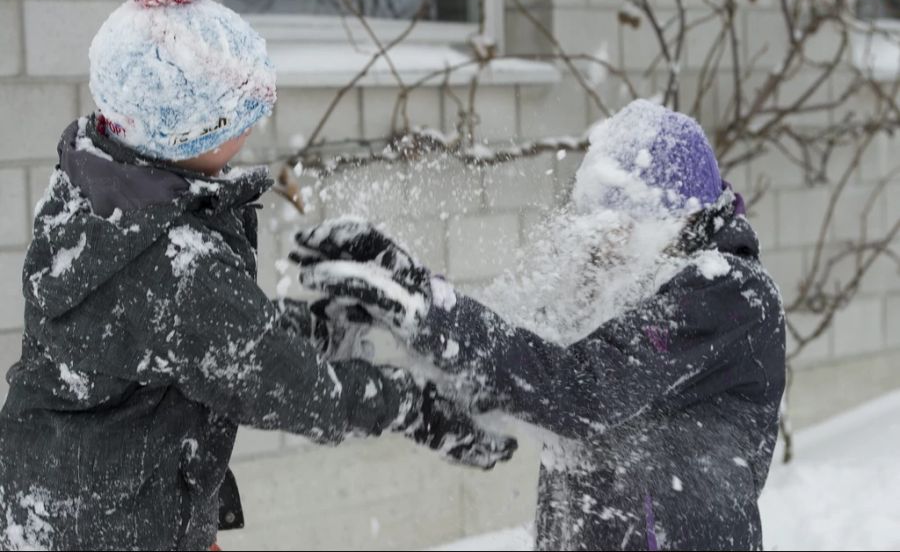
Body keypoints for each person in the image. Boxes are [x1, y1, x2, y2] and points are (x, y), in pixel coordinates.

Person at [0, 0, 514, 550]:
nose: (254, 124)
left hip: (66, 501)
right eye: (241, 114)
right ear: (189, 134)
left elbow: (187, 344)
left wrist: (308, 327)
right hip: (117, 530)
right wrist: (411, 406)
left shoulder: (96, 191)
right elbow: (300, 392)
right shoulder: (174, 265)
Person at [292, 100, 787, 551]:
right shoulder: (623, 278)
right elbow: (526, 365)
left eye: (622, 226)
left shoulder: (728, 294)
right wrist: (404, 303)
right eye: (598, 225)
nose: (605, 244)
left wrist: (432, 311)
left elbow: (582, 389)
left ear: (677, 216)